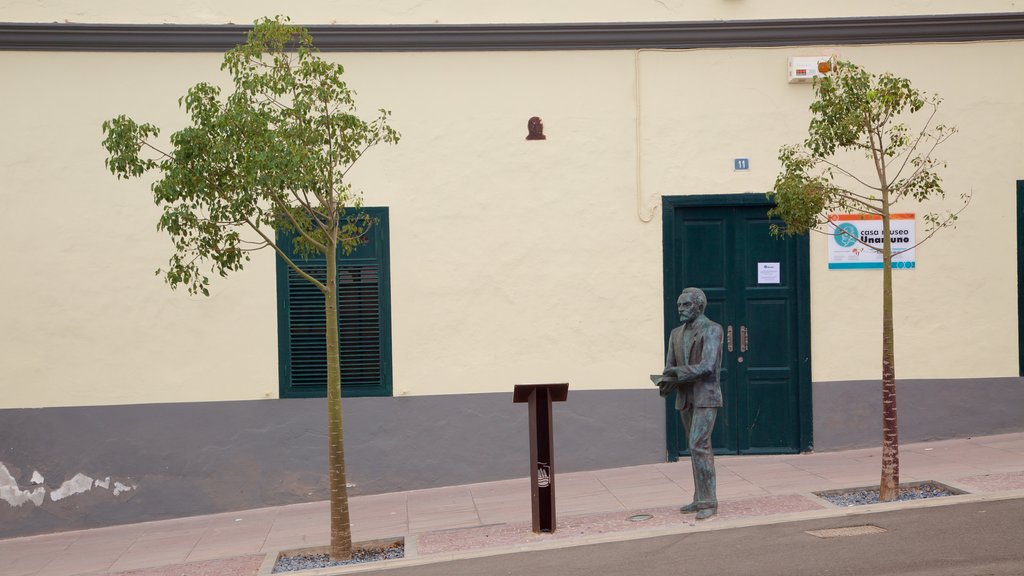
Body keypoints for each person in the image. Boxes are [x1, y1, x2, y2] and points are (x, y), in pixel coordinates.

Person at [662, 287, 723, 520]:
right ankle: (699, 497)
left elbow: (707, 366)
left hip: (706, 396)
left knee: (699, 444)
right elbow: (670, 367)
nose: (680, 309)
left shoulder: (713, 329)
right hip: (685, 397)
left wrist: (676, 372)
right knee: (693, 446)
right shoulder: (676, 334)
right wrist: (666, 381)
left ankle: (709, 501)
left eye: (685, 305)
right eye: (679, 305)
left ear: (699, 306)